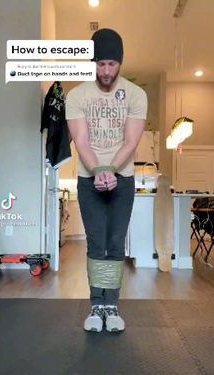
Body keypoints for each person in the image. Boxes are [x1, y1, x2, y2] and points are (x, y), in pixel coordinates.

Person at [66, 28, 148, 332]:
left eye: (112, 64)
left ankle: (111, 306)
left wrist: (111, 171)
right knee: (95, 242)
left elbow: (131, 142)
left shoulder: (136, 95)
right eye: (100, 63)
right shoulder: (77, 96)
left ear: (120, 63)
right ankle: (95, 306)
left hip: (122, 180)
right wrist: (98, 172)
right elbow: (82, 142)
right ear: (93, 62)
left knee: (114, 243)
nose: (106, 71)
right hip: (89, 181)